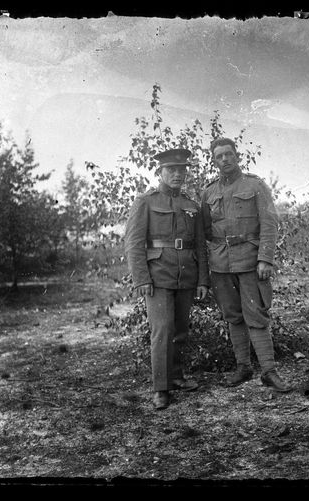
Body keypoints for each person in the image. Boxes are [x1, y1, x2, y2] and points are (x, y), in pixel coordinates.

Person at [201, 137, 292, 392]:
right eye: (219, 156)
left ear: (237, 155)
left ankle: (269, 371)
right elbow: (206, 230)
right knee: (233, 317)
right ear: (214, 160)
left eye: (229, 154)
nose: (225, 159)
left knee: (257, 316)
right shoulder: (208, 192)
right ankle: (243, 367)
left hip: (251, 262)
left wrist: (265, 259)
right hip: (221, 265)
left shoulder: (255, 185)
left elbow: (270, 223)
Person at [124, 148, 209, 410]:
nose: (177, 174)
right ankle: (161, 388)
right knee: (162, 330)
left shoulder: (191, 205)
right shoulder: (146, 202)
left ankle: (177, 376)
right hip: (158, 275)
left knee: (180, 330)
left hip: (187, 273)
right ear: (159, 172)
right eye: (171, 170)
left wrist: (203, 280)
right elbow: (134, 243)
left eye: (182, 170)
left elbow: (200, 246)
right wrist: (141, 278)